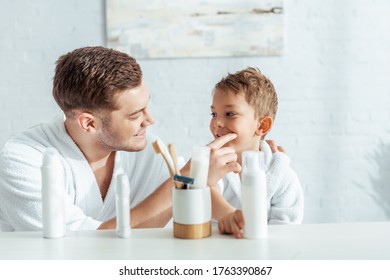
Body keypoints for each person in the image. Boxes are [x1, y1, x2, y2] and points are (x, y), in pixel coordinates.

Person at [0, 46, 239, 231]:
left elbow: (209, 189)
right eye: (135, 114)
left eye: (146, 106)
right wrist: (186, 180)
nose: (150, 120)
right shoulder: (24, 159)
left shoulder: (146, 148)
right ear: (89, 123)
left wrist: (258, 152)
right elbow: (82, 248)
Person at [208, 67, 304, 238]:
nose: (218, 123)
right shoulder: (213, 162)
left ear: (261, 126)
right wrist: (227, 214)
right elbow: (207, 188)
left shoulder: (281, 175)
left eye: (230, 114)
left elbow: (285, 229)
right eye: (214, 113)